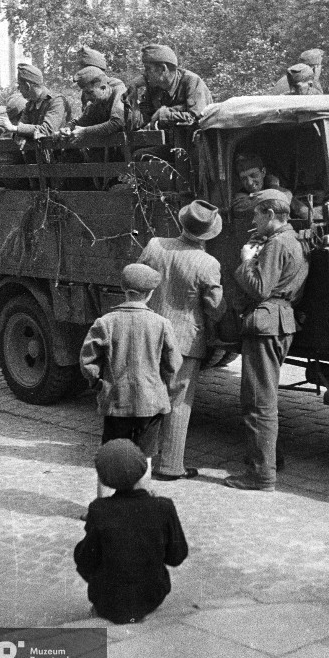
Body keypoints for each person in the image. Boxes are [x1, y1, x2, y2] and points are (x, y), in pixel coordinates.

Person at [225, 189, 309, 491]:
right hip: (279, 320)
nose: (254, 220)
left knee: (258, 402)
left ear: (271, 214)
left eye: (257, 214)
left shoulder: (276, 243)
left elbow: (260, 288)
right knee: (265, 396)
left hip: (266, 324)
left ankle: (261, 475)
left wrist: (247, 261)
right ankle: (271, 458)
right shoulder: (292, 239)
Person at [139, 200, 226, 480]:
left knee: (148, 396)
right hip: (186, 341)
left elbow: (137, 281)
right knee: (178, 401)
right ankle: (170, 466)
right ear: (208, 234)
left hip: (150, 333)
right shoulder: (208, 263)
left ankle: (139, 461)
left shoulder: (154, 246)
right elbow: (215, 308)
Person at [79, 263, 183, 497]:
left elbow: (87, 361)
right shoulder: (162, 324)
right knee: (145, 456)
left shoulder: (105, 322)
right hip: (151, 403)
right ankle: (140, 505)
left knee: (110, 456)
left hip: (117, 401)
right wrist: (162, 385)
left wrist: (98, 384)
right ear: (150, 294)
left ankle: (103, 506)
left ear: (124, 290)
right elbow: (174, 364)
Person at [74, 438, 188, 624]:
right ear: (143, 468)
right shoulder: (164, 506)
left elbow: (86, 561)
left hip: (109, 601)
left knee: (85, 553)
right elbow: (177, 556)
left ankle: (103, 612)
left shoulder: (99, 509)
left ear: (104, 478)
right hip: (152, 596)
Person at [127, 43, 212, 129]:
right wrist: (133, 92)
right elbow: (139, 123)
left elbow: (197, 118)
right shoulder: (154, 87)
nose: (144, 74)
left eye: (148, 69)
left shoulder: (191, 81)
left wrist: (164, 114)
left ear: (163, 68)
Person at [0, 63, 70, 139]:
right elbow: (21, 128)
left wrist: (13, 128)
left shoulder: (57, 101)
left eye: (20, 85)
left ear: (27, 86)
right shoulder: (30, 105)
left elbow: (47, 130)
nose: (18, 88)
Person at [232, 153, 308, 220]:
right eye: (243, 179)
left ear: (263, 172)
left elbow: (303, 211)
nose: (250, 182)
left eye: (254, 175)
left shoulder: (274, 189)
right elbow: (280, 198)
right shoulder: (239, 200)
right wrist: (275, 188)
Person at [64, 66, 127, 146]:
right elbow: (80, 121)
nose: (87, 98)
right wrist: (68, 128)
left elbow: (117, 122)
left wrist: (85, 131)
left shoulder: (119, 91)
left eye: (90, 93)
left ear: (103, 88)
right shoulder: (97, 101)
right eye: (85, 93)